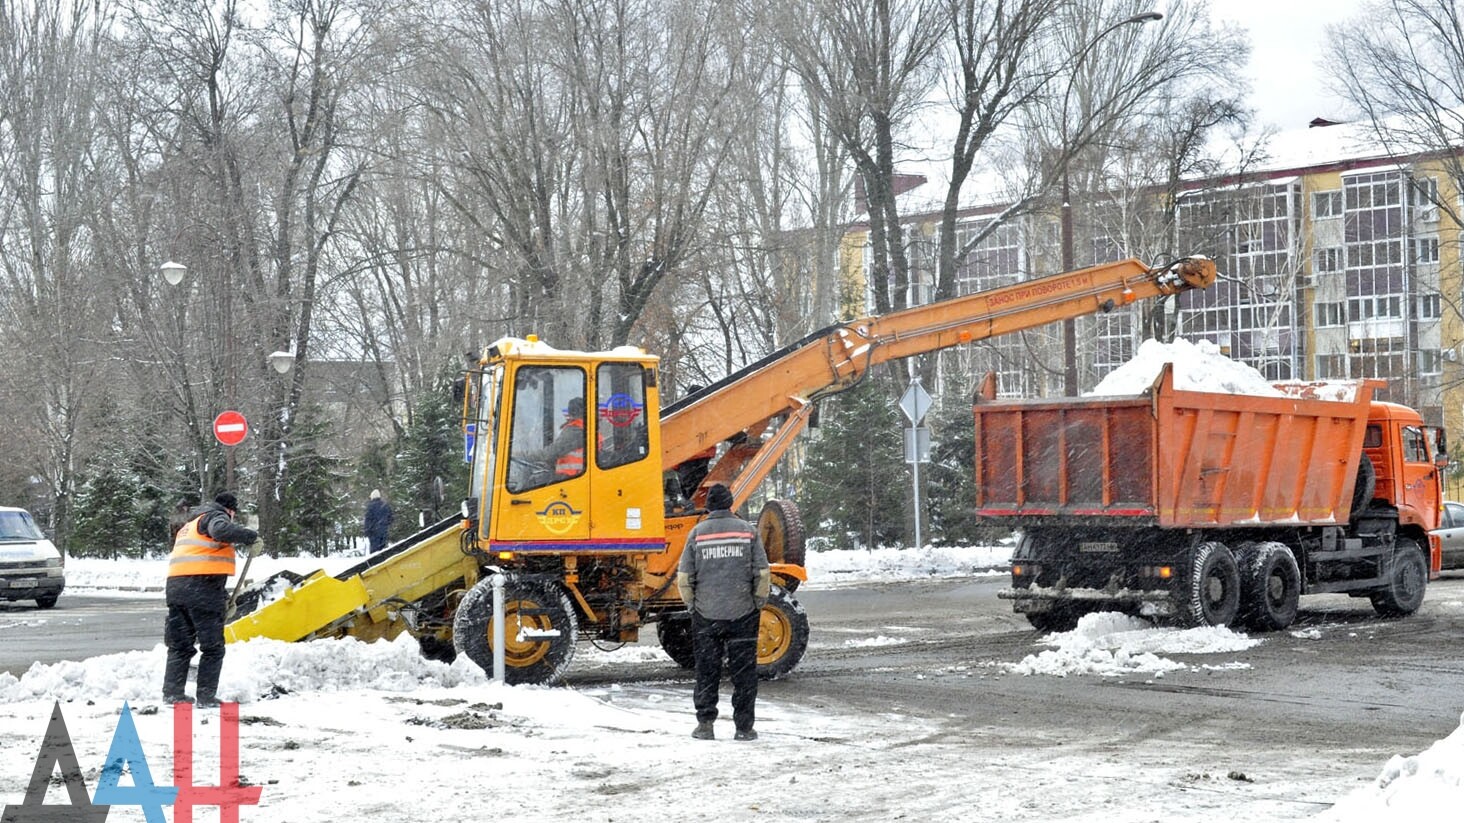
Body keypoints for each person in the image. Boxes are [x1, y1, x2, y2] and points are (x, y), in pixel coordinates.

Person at [676, 483, 771, 741]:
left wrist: (693, 605)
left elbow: (684, 578)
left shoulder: (697, 533)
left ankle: (705, 725)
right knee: (744, 673)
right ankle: (744, 728)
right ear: (730, 503)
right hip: (743, 614)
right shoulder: (748, 532)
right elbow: (762, 574)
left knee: (707, 671)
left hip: (707, 615)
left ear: (708, 507)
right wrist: (757, 603)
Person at [162, 491, 258, 707]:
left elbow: (200, 561)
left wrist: (223, 597)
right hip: (201, 591)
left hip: (177, 591)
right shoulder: (216, 516)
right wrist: (250, 536)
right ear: (230, 510)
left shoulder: (190, 524)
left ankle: (172, 693)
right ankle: (206, 698)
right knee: (213, 648)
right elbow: (221, 531)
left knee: (180, 646)